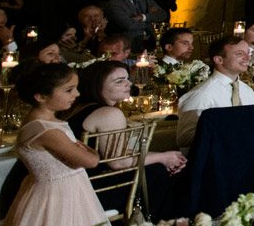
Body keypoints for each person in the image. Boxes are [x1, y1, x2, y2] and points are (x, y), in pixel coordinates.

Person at [0, 64, 109, 226]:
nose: (76, 94)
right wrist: (92, 153)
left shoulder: (49, 123)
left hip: (71, 189)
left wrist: (86, 153)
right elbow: (90, 161)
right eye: (68, 90)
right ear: (41, 96)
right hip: (54, 198)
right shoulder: (44, 130)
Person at [66, 61, 187, 197]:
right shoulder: (108, 113)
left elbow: (117, 153)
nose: (129, 84)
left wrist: (166, 156)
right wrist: (163, 157)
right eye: (119, 81)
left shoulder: (80, 108)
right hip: (94, 188)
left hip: (80, 182)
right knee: (158, 171)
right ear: (98, 86)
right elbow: (117, 162)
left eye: (127, 79)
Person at [175, 35, 254, 146]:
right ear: (219, 60)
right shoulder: (202, 94)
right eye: (239, 54)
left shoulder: (247, 91)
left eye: (247, 53)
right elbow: (184, 139)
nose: (247, 58)